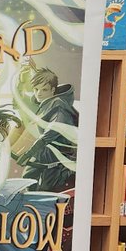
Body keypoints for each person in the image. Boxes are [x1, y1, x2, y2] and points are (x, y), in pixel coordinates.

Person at [14, 63, 78, 193]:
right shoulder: (43, 102)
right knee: (27, 180)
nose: (39, 93)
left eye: (44, 90)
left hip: (59, 156)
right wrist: (22, 80)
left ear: (53, 90)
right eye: (36, 89)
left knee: (46, 189)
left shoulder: (59, 107)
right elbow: (21, 101)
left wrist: (29, 153)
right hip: (44, 152)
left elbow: (50, 133)